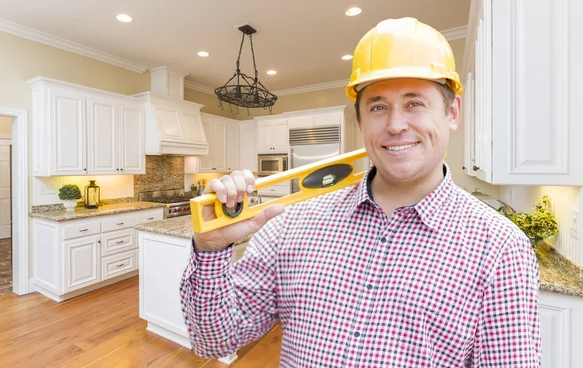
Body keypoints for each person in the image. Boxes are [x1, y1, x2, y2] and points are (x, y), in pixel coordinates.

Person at [181, 17, 541, 367]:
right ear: (360, 122)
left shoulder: (500, 250)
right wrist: (211, 251)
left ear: (452, 112)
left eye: (415, 103)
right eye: (378, 107)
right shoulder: (290, 225)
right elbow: (214, 341)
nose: (396, 125)